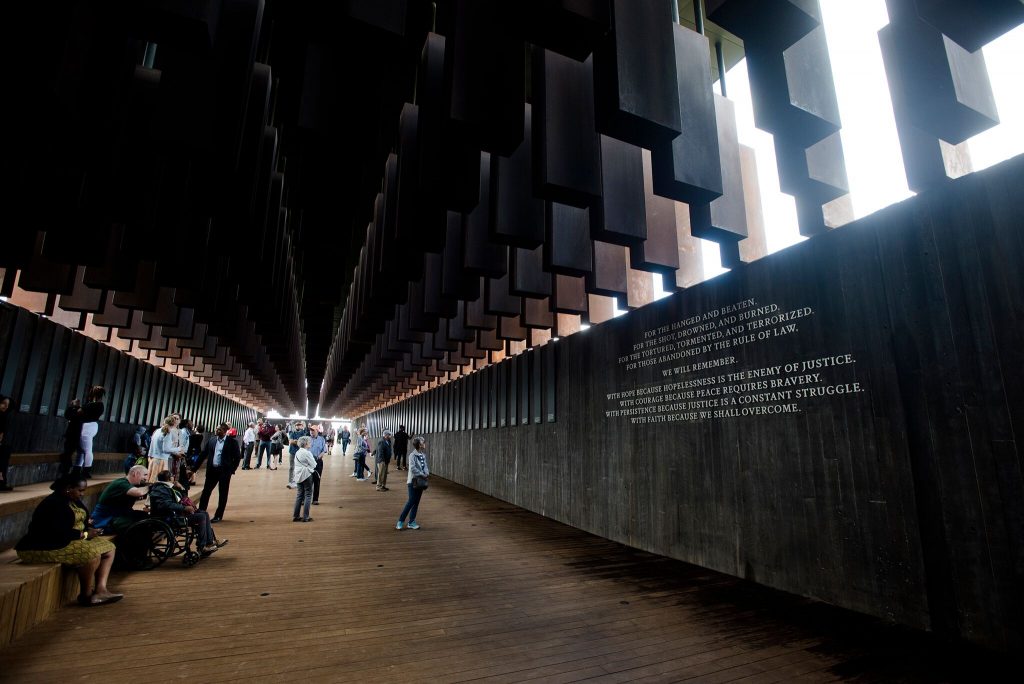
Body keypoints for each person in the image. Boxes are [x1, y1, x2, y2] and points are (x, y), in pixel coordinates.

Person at [15, 473, 123, 606]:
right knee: (90, 555)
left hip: (68, 539)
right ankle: (86, 595)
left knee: (109, 548)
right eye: (80, 490)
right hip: (44, 544)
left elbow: (80, 521)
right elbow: (58, 532)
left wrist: (89, 527)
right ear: (68, 489)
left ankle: (101, 590)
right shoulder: (54, 504)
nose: (82, 494)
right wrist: (84, 535)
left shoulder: (72, 500)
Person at [149, 470, 226, 555]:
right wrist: (184, 508)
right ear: (169, 478)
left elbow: (182, 498)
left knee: (204, 513)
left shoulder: (167, 487)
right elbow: (166, 504)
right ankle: (202, 546)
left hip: (175, 513)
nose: (174, 477)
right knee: (201, 517)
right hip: (170, 517)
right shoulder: (161, 489)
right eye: (172, 476)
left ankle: (209, 542)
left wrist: (181, 488)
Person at [194, 422, 241, 522]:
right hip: (212, 471)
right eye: (216, 428)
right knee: (206, 492)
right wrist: (194, 469)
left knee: (223, 494)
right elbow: (203, 454)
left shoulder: (232, 442)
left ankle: (218, 515)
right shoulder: (212, 440)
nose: (216, 430)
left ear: (224, 431)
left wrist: (231, 470)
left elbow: (237, 458)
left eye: (219, 429)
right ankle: (201, 512)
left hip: (224, 472)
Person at [91, 465, 150, 534]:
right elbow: (139, 492)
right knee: (139, 523)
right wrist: (151, 486)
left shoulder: (132, 485)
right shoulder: (120, 483)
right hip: (105, 520)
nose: (146, 478)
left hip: (118, 516)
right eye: (145, 475)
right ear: (135, 473)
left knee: (147, 517)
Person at [396, 436, 429, 530]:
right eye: (423, 442)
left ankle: (411, 522)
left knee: (416, 502)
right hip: (413, 481)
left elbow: (425, 466)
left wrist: (427, 472)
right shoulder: (412, 455)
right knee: (411, 501)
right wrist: (422, 474)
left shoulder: (423, 455)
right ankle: (400, 521)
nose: (424, 443)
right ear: (419, 444)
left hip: (421, 482)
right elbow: (412, 468)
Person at [74, 386, 105, 479]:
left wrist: (76, 406)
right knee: (82, 450)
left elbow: (79, 412)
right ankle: (77, 469)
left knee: (86, 450)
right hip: (93, 425)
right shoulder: (100, 405)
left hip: (87, 426)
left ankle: (86, 471)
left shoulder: (92, 405)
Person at [149, 416, 184, 483]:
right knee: (162, 482)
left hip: (153, 459)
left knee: (152, 480)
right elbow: (166, 449)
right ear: (173, 424)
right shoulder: (168, 432)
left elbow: (151, 445)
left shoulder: (157, 431)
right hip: (162, 460)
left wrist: (150, 456)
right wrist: (178, 448)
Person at [292, 436, 317, 522]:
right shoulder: (307, 453)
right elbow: (314, 464)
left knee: (299, 495)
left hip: (298, 475)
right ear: (306, 444)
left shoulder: (297, 452)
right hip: (306, 475)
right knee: (308, 495)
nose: (310, 443)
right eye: (309, 442)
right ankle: (306, 516)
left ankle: (296, 516)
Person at [307, 424, 327, 505]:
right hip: (308, 462)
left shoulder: (322, 439)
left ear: (317, 431)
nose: (311, 432)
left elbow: (324, 450)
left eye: (313, 430)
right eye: (310, 430)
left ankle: (315, 499)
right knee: (307, 481)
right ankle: (305, 499)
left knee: (317, 480)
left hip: (318, 462)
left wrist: (319, 456)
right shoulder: (307, 439)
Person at [286, 421, 308, 488]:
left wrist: (295, 441)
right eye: (297, 425)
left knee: (300, 467)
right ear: (295, 426)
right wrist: (298, 441)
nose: (298, 426)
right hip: (292, 452)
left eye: (300, 425)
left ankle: (298, 481)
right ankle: (290, 481)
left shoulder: (304, 433)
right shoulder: (292, 433)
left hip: (300, 453)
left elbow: (303, 443)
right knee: (291, 467)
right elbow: (290, 441)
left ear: (302, 426)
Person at [0, 395, 13, 491]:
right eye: (3, 403)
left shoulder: (5, 416)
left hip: (3, 444)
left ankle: (2, 480)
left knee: (4, 459)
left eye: (7, 405)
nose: (5, 406)